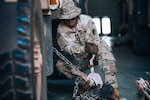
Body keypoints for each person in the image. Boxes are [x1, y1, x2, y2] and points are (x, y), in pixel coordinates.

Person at [55, 0, 126, 100]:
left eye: (72, 17)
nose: (70, 20)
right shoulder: (61, 29)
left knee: (103, 48)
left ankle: (113, 89)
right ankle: (85, 84)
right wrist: (84, 49)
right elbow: (68, 48)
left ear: (76, 15)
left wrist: (92, 50)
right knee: (60, 65)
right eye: (67, 18)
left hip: (94, 55)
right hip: (79, 59)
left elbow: (94, 40)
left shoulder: (87, 21)